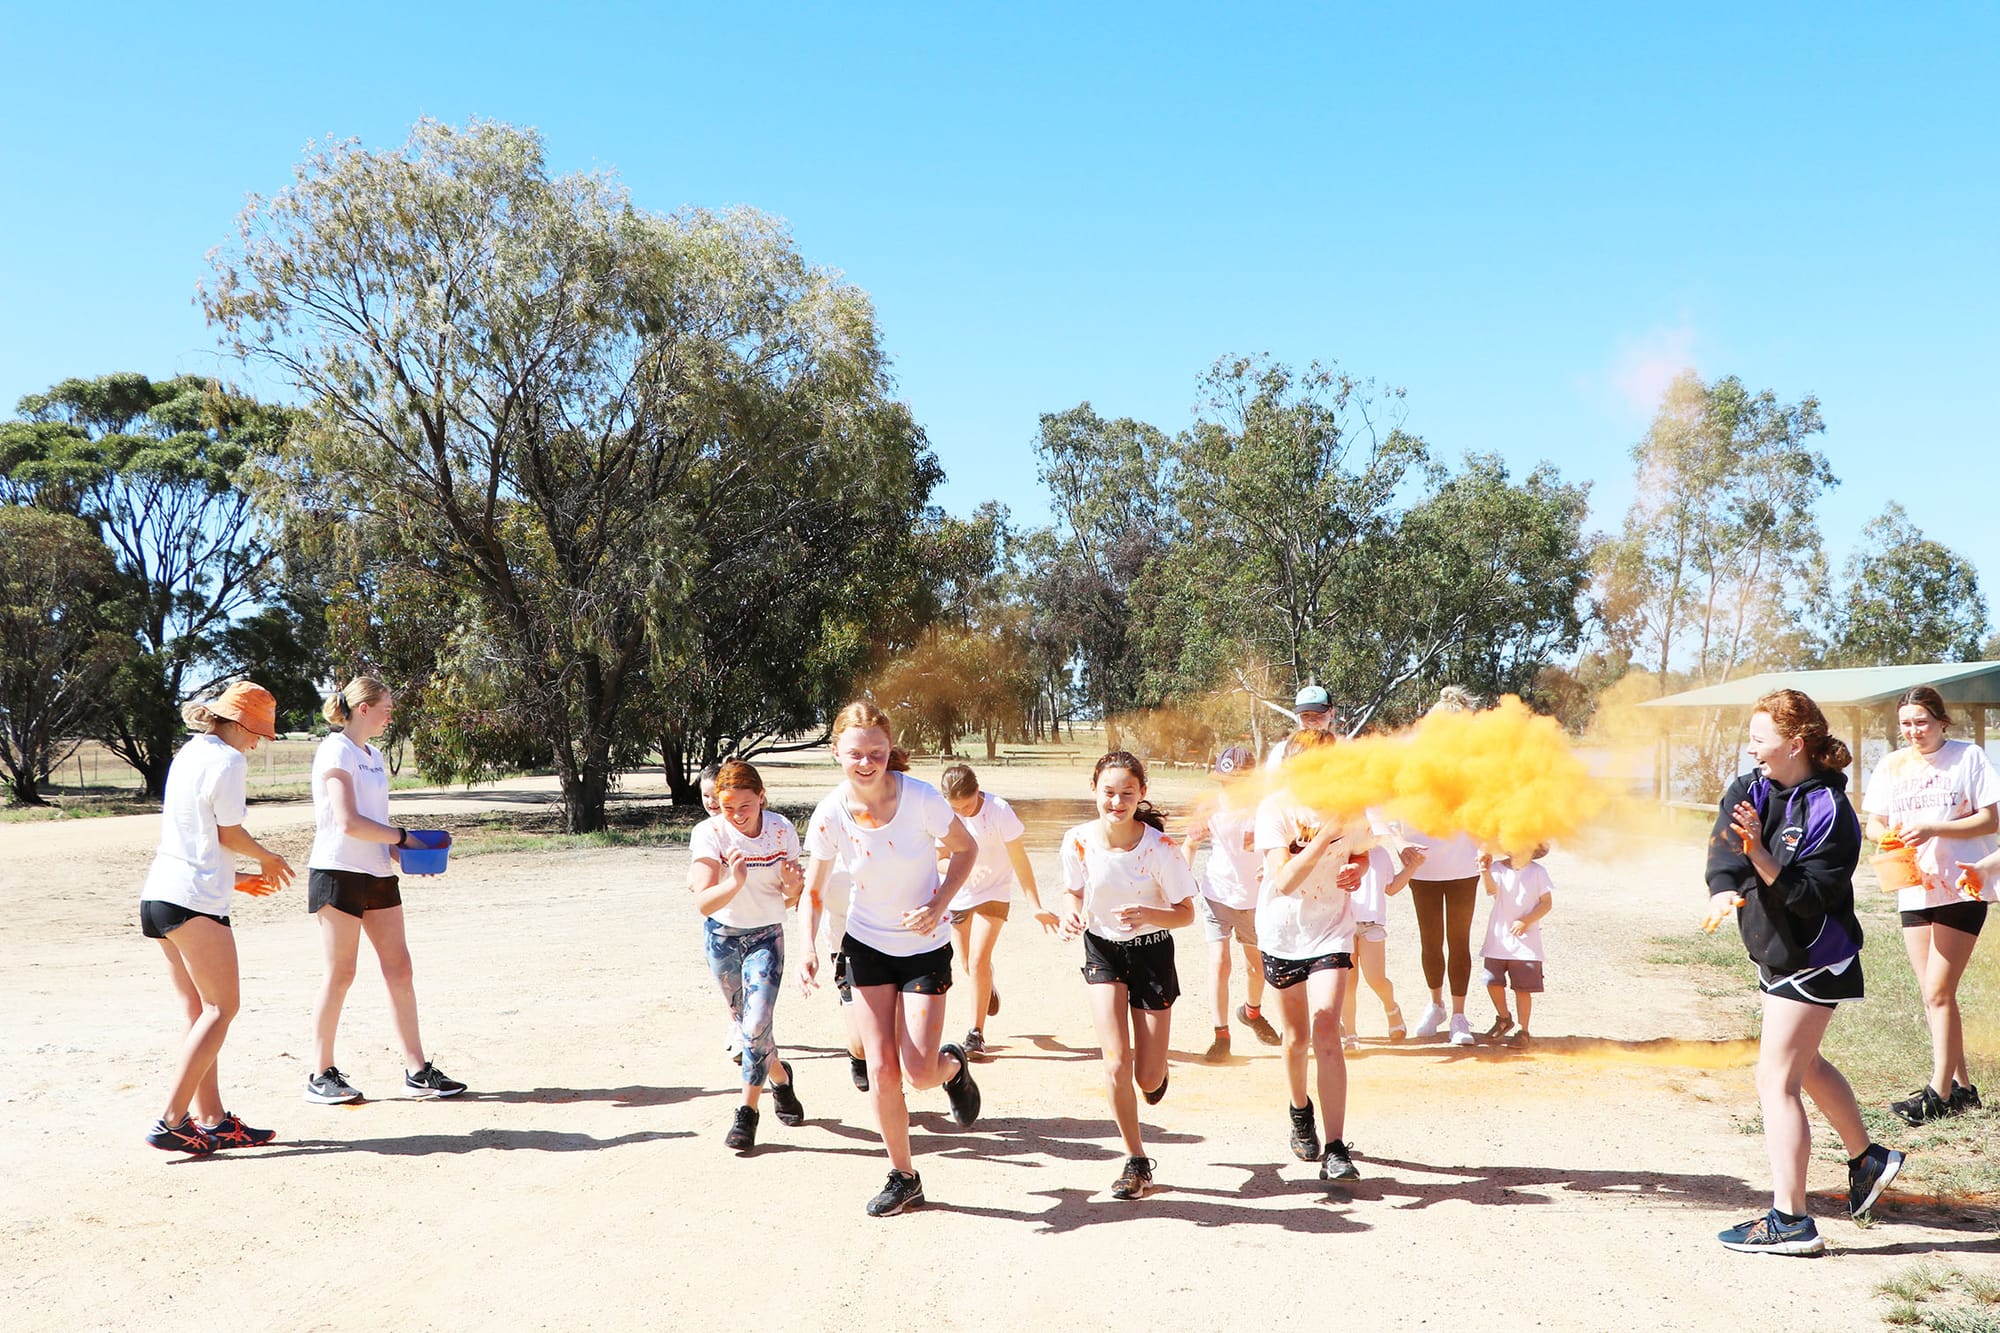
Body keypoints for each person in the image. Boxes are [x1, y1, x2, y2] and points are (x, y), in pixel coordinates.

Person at [1703, 688, 1904, 1255]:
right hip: (1777, 953)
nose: (1752, 749)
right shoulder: (1751, 788)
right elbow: (1724, 850)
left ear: (1796, 743)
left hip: (1814, 956)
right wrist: (1723, 890)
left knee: (1776, 1080)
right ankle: (1871, 1159)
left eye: (1760, 739)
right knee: (1806, 1064)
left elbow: (1814, 896)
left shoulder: (1831, 811)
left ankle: (1791, 1221)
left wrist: (1763, 859)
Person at [802, 703, 983, 1217]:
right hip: (865, 945)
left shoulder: (921, 799)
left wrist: (939, 903)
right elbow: (813, 891)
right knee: (882, 1070)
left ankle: (953, 1069)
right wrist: (809, 949)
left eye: (876, 752)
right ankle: (904, 1176)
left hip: (924, 947)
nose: (866, 762)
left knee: (919, 1071)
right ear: (836, 751)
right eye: (855, 753)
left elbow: (965, 849)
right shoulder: (830, 812)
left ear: (889, 750)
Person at [139, 681, 294, 1154]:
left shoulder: (190, 753)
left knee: (199, 1011)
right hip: (194, 903)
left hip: (160, 897)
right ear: (242, 723)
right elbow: (228, 831)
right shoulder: (228, 760)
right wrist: (266, 858)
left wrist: (238, 877)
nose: (260, 741)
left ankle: (212, 1120)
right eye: (259, 732)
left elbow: (197, 837)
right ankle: (172, 1120)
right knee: (222, 1009)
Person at [303, 676, 464, 1105]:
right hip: (338, 872)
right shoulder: (335, 750)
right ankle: (320, 1074)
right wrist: (403, 837)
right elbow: (348, 822)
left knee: (400, 968)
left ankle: (417, 1071)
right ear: (363, 708)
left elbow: (374, 820)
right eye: (386, 706)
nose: (391, 713)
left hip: (376, 872)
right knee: (341, 974)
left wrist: (402, 854)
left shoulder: (372, 755)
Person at [1059, 751, 1199, 1200]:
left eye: (1127, 793)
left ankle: (1156, 1076)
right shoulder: (1078, 840)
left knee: (1147, 1076)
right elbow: (1072, 890)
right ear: (1093, 790)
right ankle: (1136, 1160)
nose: (1116, 802)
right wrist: (1070, 914)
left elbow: (1185, 914)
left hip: (1153, 953)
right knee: (1115, 1061)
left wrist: (1147, 912)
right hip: (1102, 952)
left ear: (1142, 795)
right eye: (1108, 792)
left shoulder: (1162, 850)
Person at [1860, 685, 1999, 1124]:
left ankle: (1936, 1094)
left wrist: (1933, 828)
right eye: (1906, 724)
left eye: (1922, 722)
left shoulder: (1968, 757)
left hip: (1962, 883)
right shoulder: (1891, 765)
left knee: (1939, 992)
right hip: (1912, 885)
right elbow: (1874, 823)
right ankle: (1962, 1088)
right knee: (1933, 995)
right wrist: (1884, 836)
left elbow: (1991, 818)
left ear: (1942, 721)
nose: (1914, 731)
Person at [1254, 728, 1364, 1181]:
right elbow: (1282, 880)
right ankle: (1300, 1111)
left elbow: (1363, 853)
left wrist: (1357, 869)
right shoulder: (1275, 810)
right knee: (1296, 1037)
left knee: (1326, 1029)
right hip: (1282, 933)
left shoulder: (1350, 807)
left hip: (1331, 931)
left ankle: (1337, 1147)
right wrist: (1324, 837)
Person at [688, 759, 806, 1152]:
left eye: (745, 806)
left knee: (755, 1023)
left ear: (762, 798)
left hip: (765, 937)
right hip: (721, 939)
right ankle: (781, 1079)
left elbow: (792, 898)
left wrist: (793, 887)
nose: (736, 816)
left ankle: (746, 1113)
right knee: (748, 1027)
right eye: (727, 807)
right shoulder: (709, 833)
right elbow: (704, 902)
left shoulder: (781, 830)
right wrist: (735, 882)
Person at [938, 764, 1060, 1061]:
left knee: (979, 959)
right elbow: (939, 859)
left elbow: (1019, 859)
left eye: (967, 806)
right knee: (968, 965)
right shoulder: (943, 814)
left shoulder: (999, 810)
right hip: (960, 895)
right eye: (957, 808)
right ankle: (987, 983)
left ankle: (975, 1034)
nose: (963, 813)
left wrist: (1035, 905)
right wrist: (962, 872)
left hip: (994, 893)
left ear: (977, 791)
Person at [1182, 746, 1282, 1062]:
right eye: (1227, 781)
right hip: (1217, 893)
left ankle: (1251, 1013)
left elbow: (1282, 847)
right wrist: (1181, 884)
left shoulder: (1267, 807)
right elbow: (1190, 844)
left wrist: (1274, 866)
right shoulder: (1210, 806)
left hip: (1254, 899)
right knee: (1219, 962)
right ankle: (1221, 1034)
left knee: (1257, 968)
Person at [1401, 686, 1485, 1048]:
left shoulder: (1475, 765)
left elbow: (1488, 809)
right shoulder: (1411, 758)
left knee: (1460, 942)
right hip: (1422, 866)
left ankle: (1459, 1015)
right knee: (1431, 942)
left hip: (1464, 865)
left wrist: (1486, 846)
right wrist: (1399, 841)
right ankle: (1435, 1006)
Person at [1341, 835, 1424, 1047]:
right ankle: (1350, 1034)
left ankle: (1392, 1008)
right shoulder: (1340, 852)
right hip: (1342, 926)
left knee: (1376, 978)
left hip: (1372, 925)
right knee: (1347, 983)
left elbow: (1392, 887)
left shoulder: (1380, 853)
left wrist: (1413, 866)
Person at [1478, 845, 1553, 1046]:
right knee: (1492, 981)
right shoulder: (1497, 868)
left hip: (1526, 944)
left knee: (1523, 988)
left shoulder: (1538, 872)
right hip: (1498, 938)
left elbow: (1546, 903)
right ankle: (1504, 1018)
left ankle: (1523, 1030)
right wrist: (1484, 871)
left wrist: (1526, 921)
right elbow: (1490, 890)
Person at [1263, 684, 1337, 773]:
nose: (1311, 721)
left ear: (1332, 714)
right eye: (1305, 715)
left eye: (1318, 714)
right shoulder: (1280, 751)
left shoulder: (1343, 751)